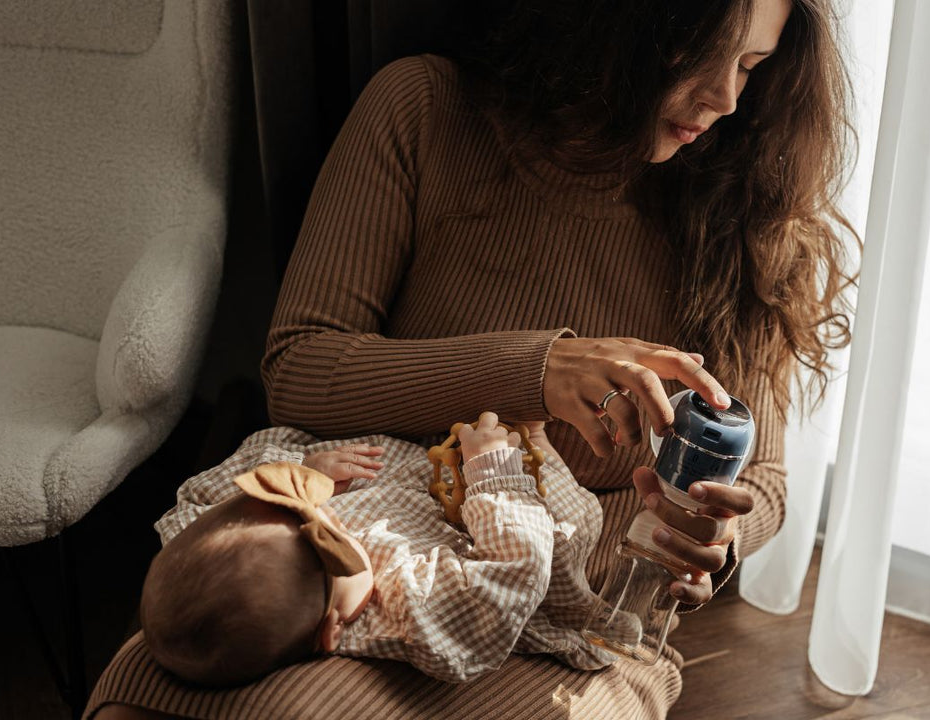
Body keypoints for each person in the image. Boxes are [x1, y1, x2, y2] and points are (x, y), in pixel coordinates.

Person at [89, 0, 856, 717]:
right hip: (352, 560)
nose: (725, 96)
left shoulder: (749, 214)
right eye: (697, 51)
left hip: (577, 617)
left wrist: (710, 540)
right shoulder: (424, 109)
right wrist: (535, 374)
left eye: (752, 66)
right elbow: (300, 368)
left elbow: (765, 479)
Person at [139, 413, 616, 686]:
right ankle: (539, 443)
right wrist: (494, 472)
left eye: (299, 510)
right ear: (331, 631)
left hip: (414, 477)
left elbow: (196, 500)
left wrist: (306, 471)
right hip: (498, 516)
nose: (332, 520)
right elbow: (514, 570)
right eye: (340, 542)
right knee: (568, 528)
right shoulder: (406, 612)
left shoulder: (209, 536)